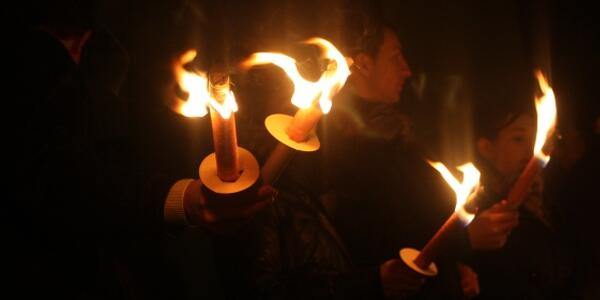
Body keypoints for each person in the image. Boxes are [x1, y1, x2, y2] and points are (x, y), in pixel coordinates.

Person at [9, 1, 274, 298]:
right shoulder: (24, 65)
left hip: (177, 221)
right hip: (73, 260)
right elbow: (55, 180)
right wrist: (177, 198)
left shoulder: (116, 31)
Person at [250, 12, 518, 299]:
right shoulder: (337, 147)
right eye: (395, 57)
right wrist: (462, 240)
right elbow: (369, 240)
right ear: (362, 63)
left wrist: (452, 264)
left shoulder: (394, 134)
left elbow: (419, 217)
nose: (407, 70)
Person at [463, 73, 576, 299]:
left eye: (534, 140)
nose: (530, 152)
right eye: (518, 139)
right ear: (486, 148)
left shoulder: (549, 199)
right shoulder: (479, 216)